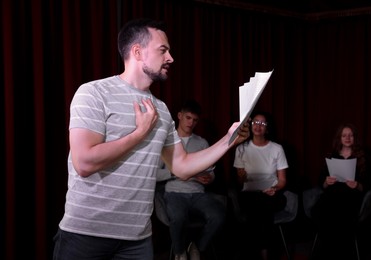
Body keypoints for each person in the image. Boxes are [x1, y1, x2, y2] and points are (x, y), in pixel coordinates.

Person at [52, 18, 249, 260]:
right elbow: (84, 163)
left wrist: (229, 139)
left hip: (137, 241)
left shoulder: (162, 110)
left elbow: (182, 167)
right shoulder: (93, 93)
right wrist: (139, 134)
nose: (171, 58)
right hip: (85, 236)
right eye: (163, 50)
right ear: (137, 51)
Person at [157, 99, 226, 260]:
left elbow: (211, 172)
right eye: (188, 118)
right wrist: (178, 173)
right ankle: (180, 252)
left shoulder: (202, 143)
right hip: (174, 192)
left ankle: (196, 246)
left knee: (219, 216)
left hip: (198, 193)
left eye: (195, 120)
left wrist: (210, 178)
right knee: (178, 218)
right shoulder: (166, 142)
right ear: (179, 116)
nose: (191, 123)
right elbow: (154, 175)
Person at [311, 123, 371, 259]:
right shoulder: (331, 155)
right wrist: (326, 182)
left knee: (341, 215)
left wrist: (357, 185)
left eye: (350, 135)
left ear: (354, 138)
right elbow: (321, 181)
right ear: (339, 138)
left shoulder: (363, 158)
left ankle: (341, 254)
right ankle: (328, 252)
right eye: (344, 135)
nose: (347, 138)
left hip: (351, 197)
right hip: (332, 195)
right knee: (323, 211)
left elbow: (369, 185)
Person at [233, 111, 288, 260]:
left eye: (262, 123)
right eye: (255, 122)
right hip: (250, 195)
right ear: (250, 125)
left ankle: (251, 253)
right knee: (259, 208)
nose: (258, 126)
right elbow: (240, 181)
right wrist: (242, 177)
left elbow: (282, 180)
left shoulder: (277, 149)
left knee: (261, 208)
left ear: (267, 129)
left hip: (272, 193)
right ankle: (265, 253)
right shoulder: (241, 148)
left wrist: (274, 188)